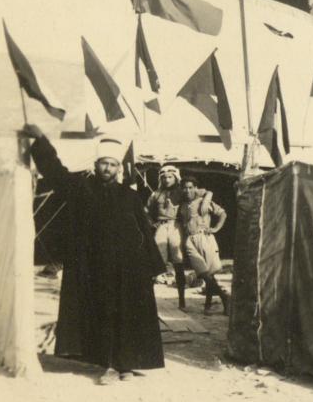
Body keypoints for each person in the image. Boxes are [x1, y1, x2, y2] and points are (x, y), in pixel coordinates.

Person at [21, 124, 165, 385]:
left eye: (112, 164)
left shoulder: (130, 196)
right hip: (96, 267)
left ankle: (127, 365)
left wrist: (152, 267)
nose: (107, 169)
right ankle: (109, 365)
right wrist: (41, 141)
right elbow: (56, 173)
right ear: (96, 165)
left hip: (129, 268)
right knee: (104, 315)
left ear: (119, 168)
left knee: (128, 316)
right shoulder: (81, 189)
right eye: (103, 164)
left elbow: (143, 230)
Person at [145, 165, 212, 310]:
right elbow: (146, 211)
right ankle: (147, 302)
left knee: (178, 262)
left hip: (176, 226)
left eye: (170, 177)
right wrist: (152, 223)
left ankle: (182, 301)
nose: (166, 179)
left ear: (175, 177)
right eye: (163, 177)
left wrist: (206, 201)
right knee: (156, 261)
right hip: (162, 226)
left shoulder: (182, 191)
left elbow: (206, 192)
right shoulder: (156, 194)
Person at [177, 177, 230, 316]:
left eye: (190, 187)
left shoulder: (203, 201)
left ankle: (209, 305)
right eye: (185, 188)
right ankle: (224, 296)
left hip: (204, 238)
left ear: (195, 188)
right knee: (203, 273)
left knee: (209, 274)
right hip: (190, 240)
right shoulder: (182, 205)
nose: (187, 190)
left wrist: (216, 228)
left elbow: (222, 213)